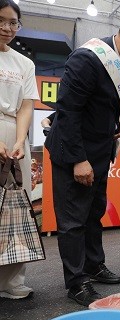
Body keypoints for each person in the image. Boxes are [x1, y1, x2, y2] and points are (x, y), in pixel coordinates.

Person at [44, 11, 120, 306]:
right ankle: (76, 281)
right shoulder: (87, 59)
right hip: (75, 154)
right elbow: (68, 111)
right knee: (73, 220)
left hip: (99, 152)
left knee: (94, 212)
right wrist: (77, 160)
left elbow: (104, 104)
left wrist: (117, 121)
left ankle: (94, 265)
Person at [0, 0, 39, 300]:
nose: (7, 28)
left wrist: (19, 140)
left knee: (17, 206)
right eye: (1, 21)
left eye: (13, 22)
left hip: (15, 133)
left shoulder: (24, 63)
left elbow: (27, 105)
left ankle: (13, 280)